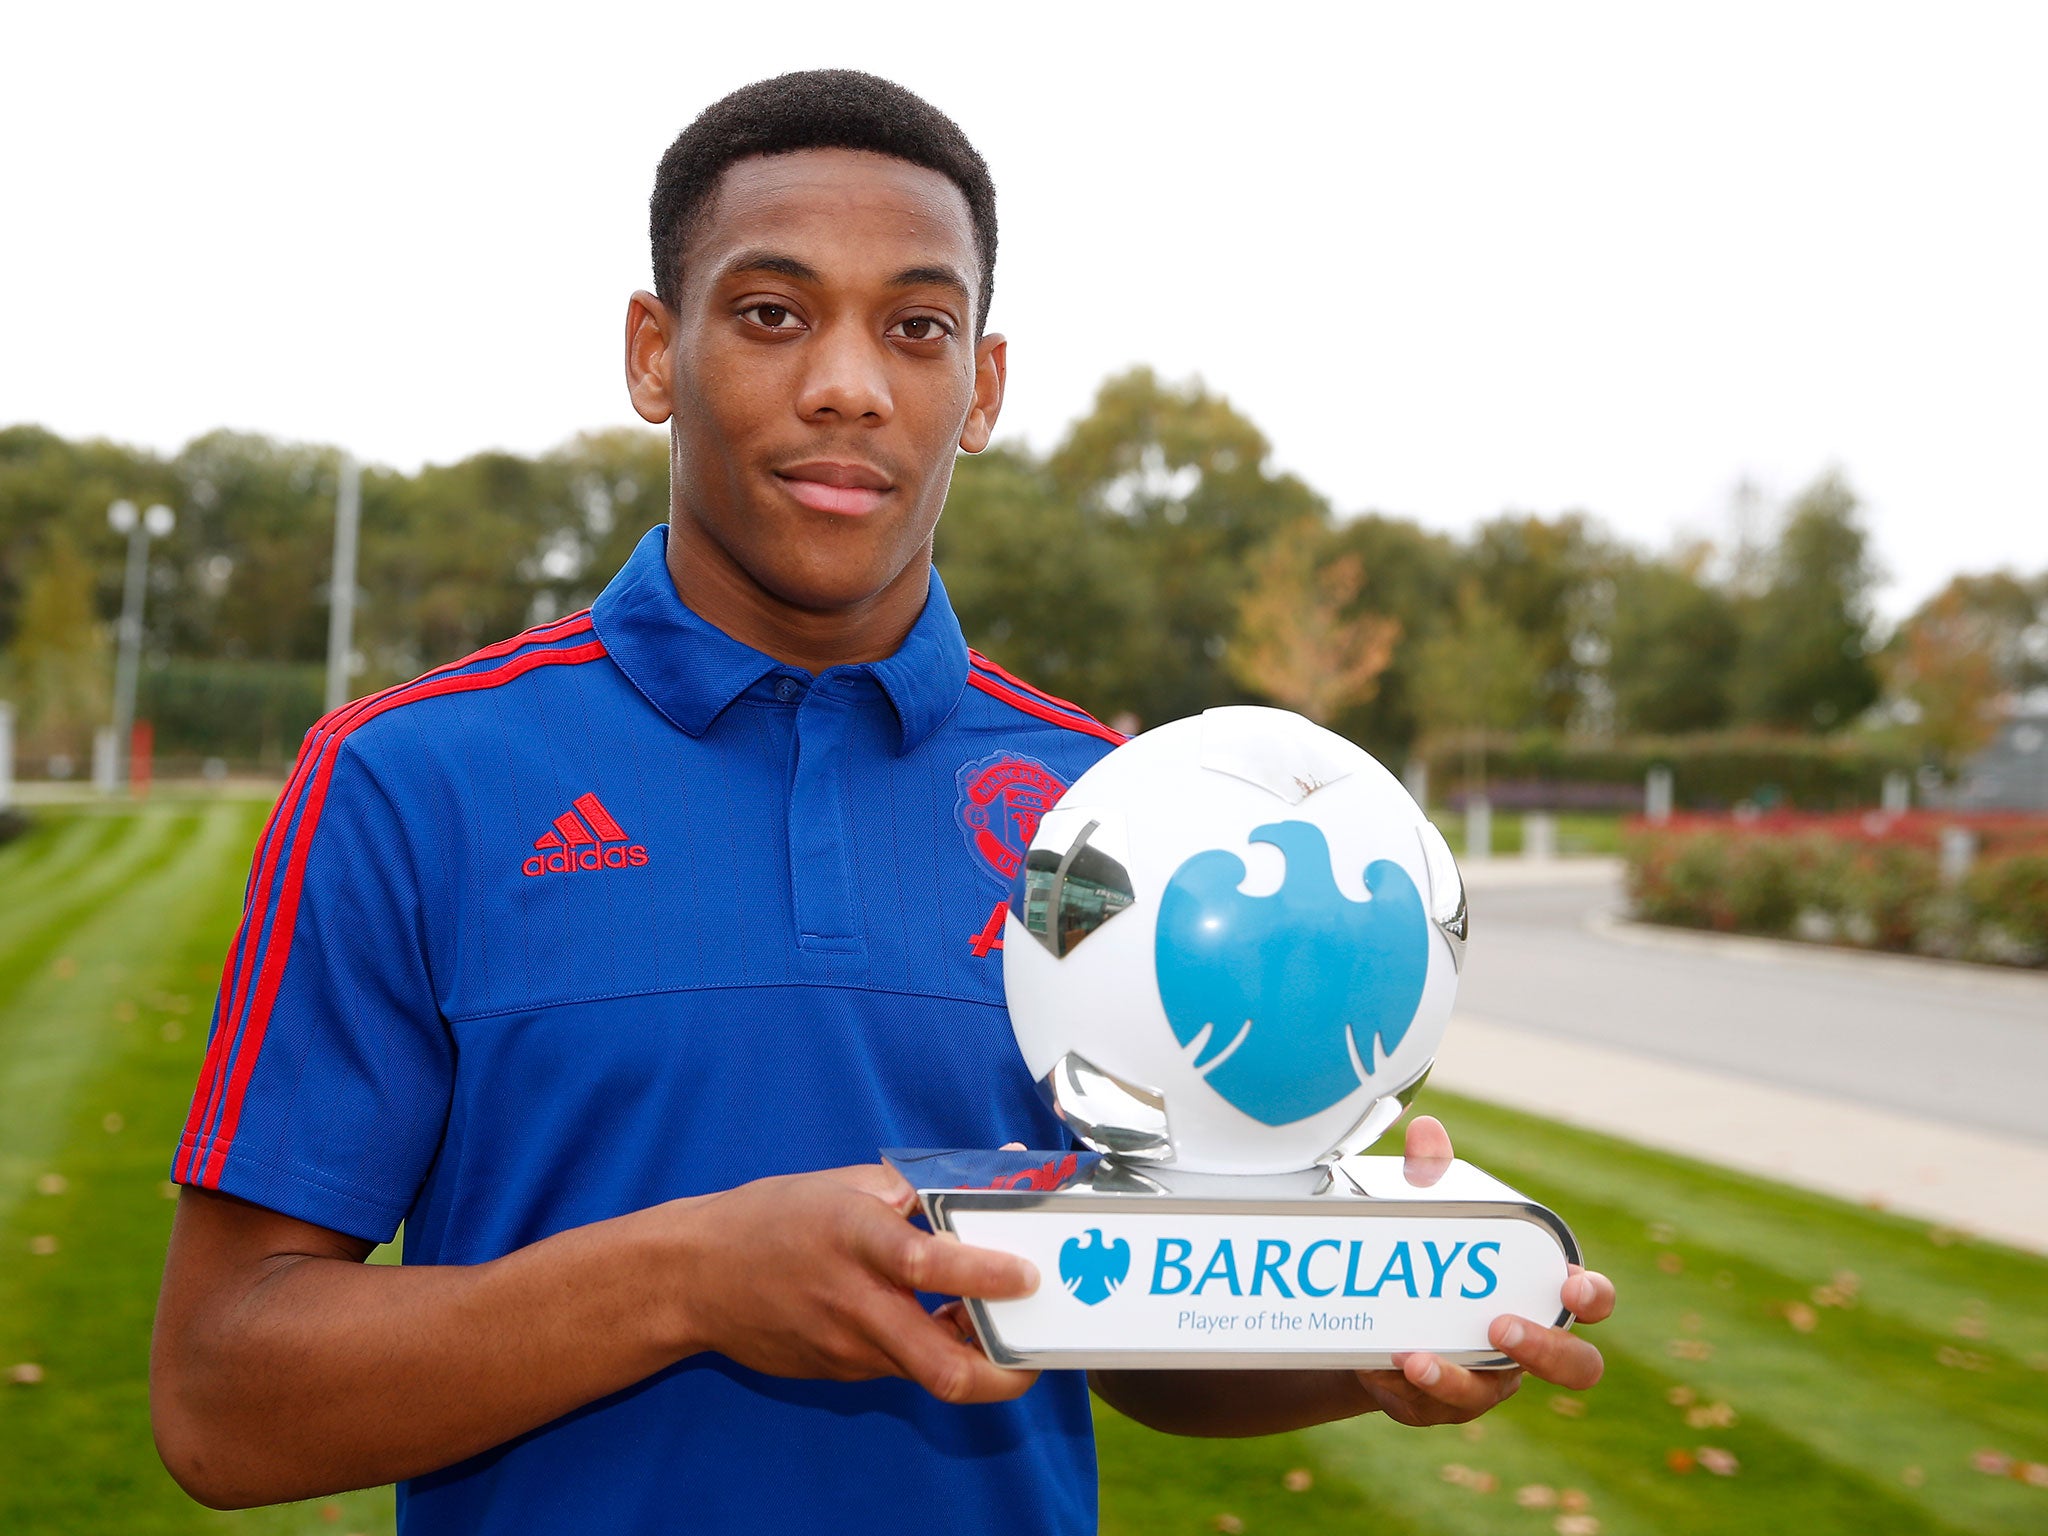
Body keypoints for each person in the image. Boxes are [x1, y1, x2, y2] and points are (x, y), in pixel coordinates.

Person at [150, 70, 1613, 1535]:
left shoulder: (1105, 811)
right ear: (656, 353)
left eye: (916, 328)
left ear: (977, 386)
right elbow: (222, 1403)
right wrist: (692, 1279)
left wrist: (1359, 1333)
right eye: (773, 313)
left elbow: (1106, 1322)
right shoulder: (411, 779)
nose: (848, 382)